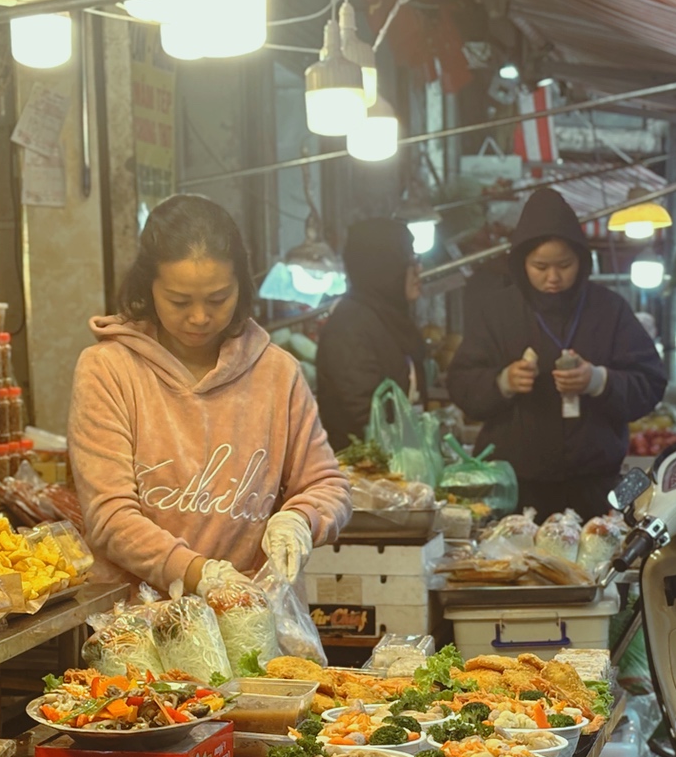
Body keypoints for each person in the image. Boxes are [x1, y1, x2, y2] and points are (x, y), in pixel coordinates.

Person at [69, 194, 351, 594]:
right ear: (148, 288)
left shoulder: (276, 373)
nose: (200, 317)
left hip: (255, 615)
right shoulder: (109, 370)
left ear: (242, 285)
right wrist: (199, 574)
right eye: (179, 301)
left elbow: (327, 484)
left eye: (218, 298)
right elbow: (109, 516)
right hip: (138, 625)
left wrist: (301, 519)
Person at [446, 190, 666, 518]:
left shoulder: (609, 309)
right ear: (522, 263)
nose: (553, 277)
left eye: (564, 265)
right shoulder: (497, 311)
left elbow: (650, 382)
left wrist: (598, 381)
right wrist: (502, 382)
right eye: (540, 266)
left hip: (595, 487)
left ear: (582, 260)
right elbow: (461, 384)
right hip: (515, 489)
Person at [314, 217, 425, 451]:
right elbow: (367, 414)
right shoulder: (349, 326)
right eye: (410, 260)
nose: (419, 270)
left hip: (392, 467)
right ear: (385, 268)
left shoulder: (389, 319)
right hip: (364, 475)